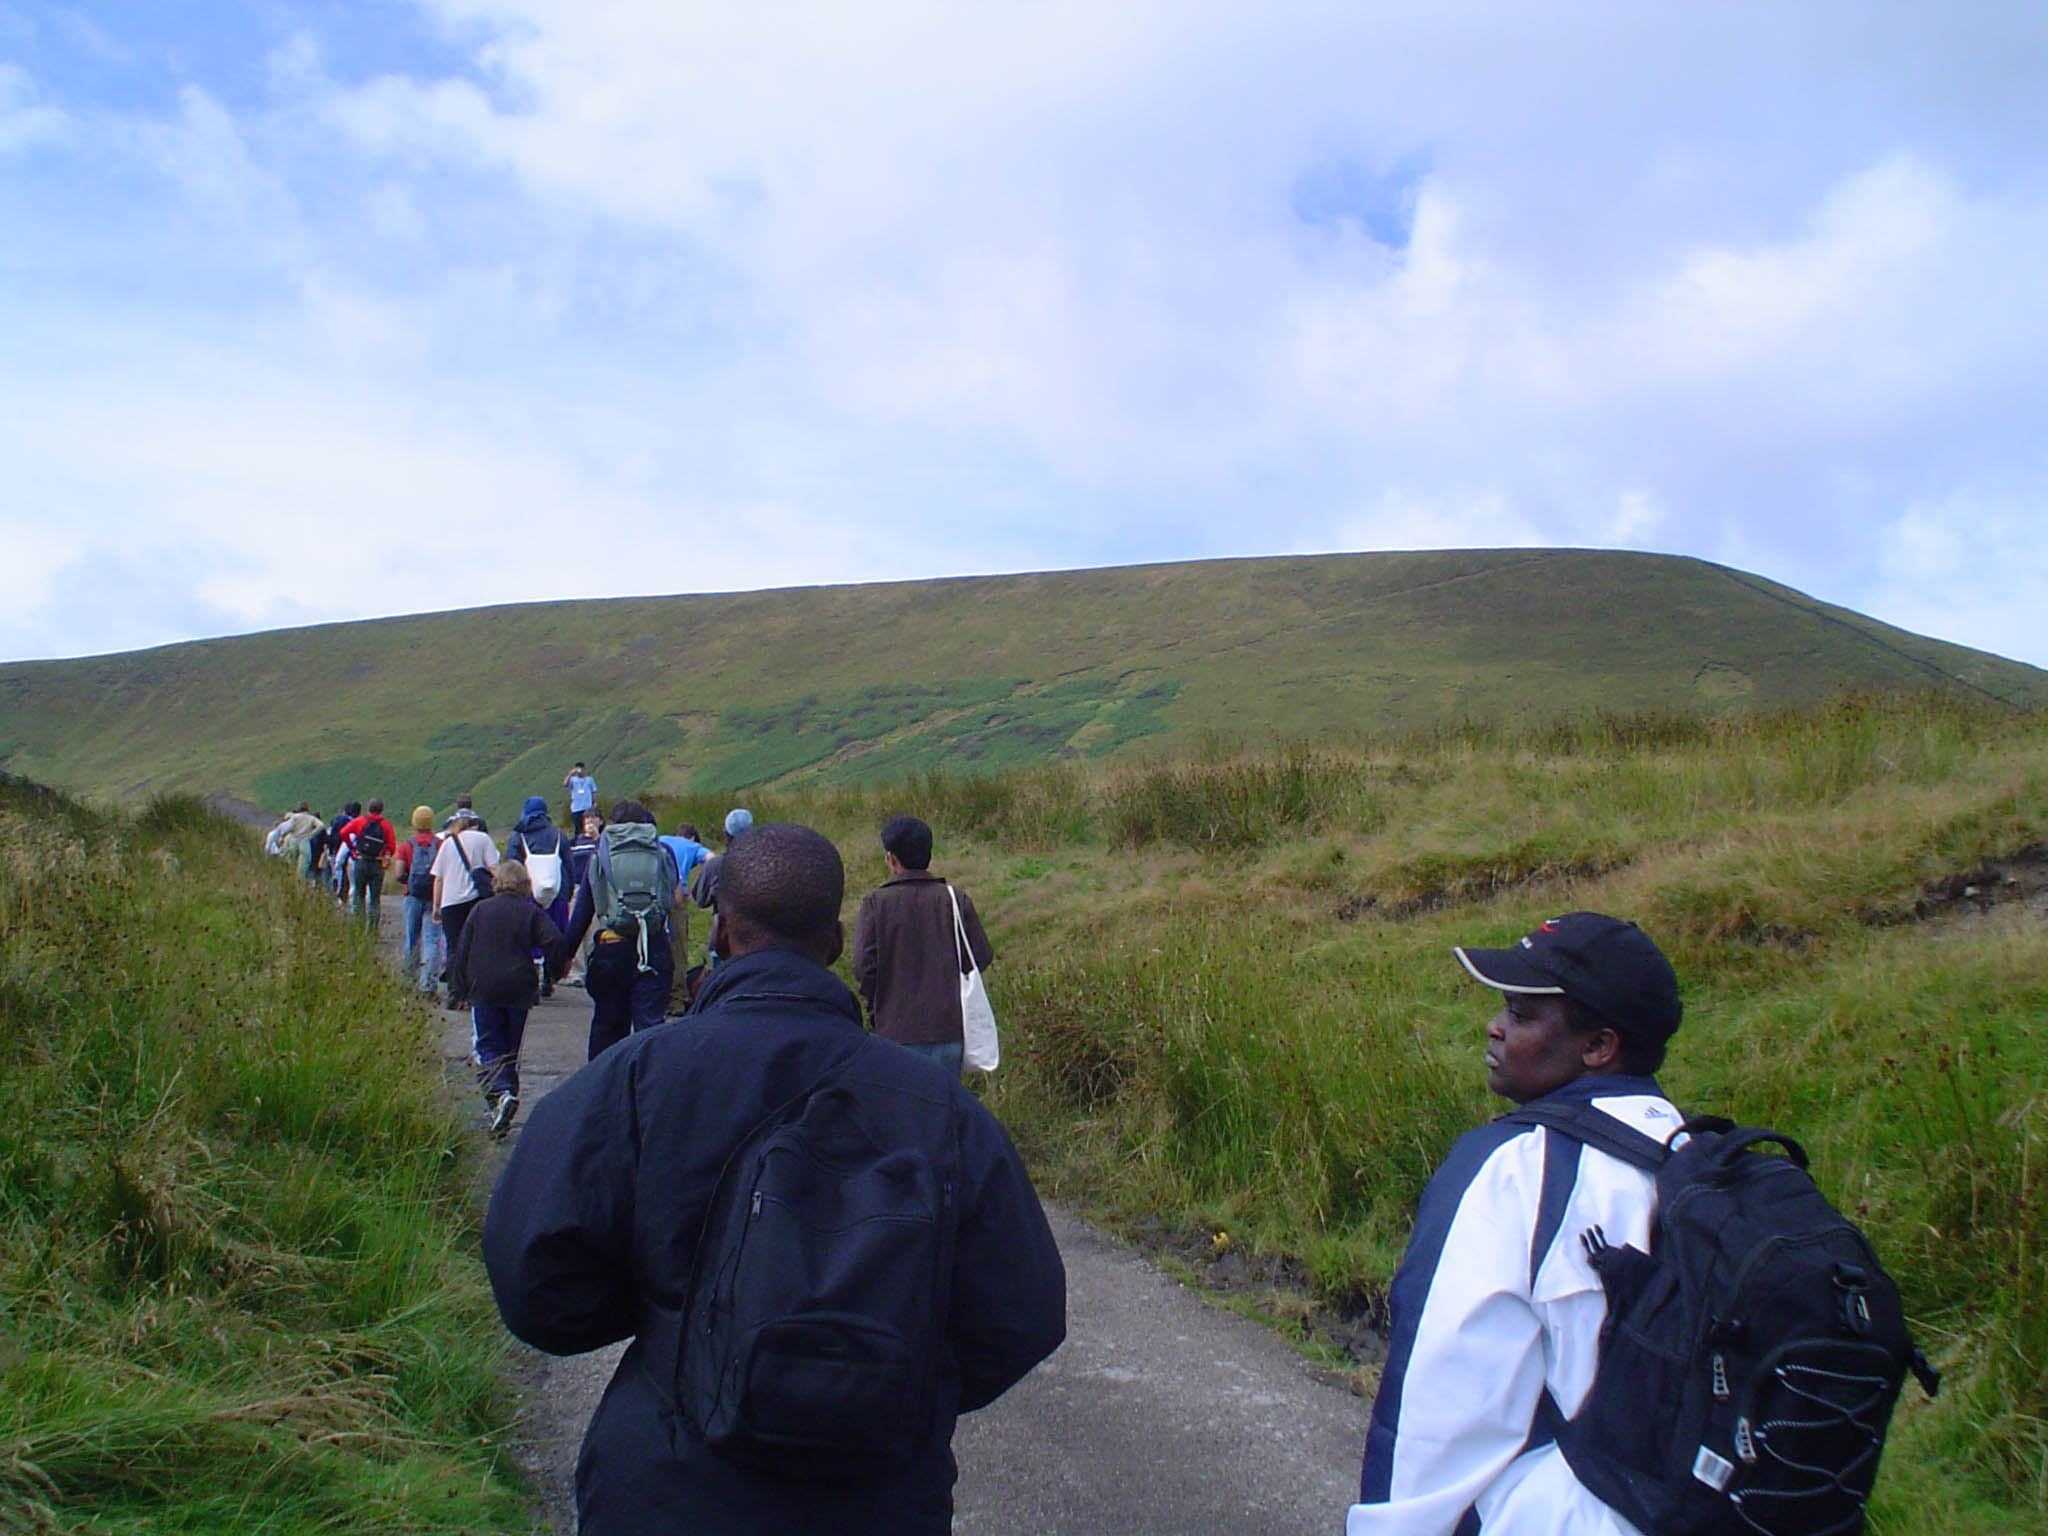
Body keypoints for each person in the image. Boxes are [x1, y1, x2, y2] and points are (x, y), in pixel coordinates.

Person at [482, 821, 1066, 1536]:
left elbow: (532, 1282)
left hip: (665, 1489)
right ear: (834, 943)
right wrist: (884, 1379)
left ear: (721, 932)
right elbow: (1024, 1313)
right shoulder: (943, 1110)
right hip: (879, 1497)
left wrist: (675, 1326)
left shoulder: (631, 1080)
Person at [1346, 912, 1685, 1536]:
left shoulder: (1515, 1166)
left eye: (1522, 1015)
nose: (1494, 1026)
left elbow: (1443, 1404)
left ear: (1598, 1046)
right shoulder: (1695, 1157)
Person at [852, 814, 993, 1078]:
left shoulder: (874, 904)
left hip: (895, 1032)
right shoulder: (954, 899)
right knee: (943, 1100)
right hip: (950, 1030)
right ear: (929, 854)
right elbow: (980, 957)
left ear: (891, 859)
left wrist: (877, 1008)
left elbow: (863, 967)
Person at [554, 799, 682, 1058]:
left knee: (607, 1027)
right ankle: (651, 1080)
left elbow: (583, 911)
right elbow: (675, 899)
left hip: (611, 949)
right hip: (652, 947)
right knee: (650, 1028)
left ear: (612, 823)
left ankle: (604, 1080)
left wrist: (564, 956)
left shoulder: (601, 851)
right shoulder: (661, 850)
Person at [447, 860, 563, 1141]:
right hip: (519, 989)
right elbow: (555, 941)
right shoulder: (530, 912)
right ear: (526, 884)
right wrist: (554, 972)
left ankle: (500, 1094)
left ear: (497, 882)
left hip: (484, 987)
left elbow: (462, 951)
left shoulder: (480, 910)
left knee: (487, 1045)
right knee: (511, 1049)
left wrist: (458, 989)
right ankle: (504, 1102)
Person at [430, 808, 499, 1002]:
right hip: (476, 900)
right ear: (474, 824)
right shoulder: (483, 839)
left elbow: (439, 878)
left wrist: (436, 906)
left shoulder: (448, 843)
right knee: (475, 946)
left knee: (454, 946)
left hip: (450, 902)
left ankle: (455, 991)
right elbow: (494, 868)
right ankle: (473, 989)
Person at [505, 795, 568, 997]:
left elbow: (511, 865)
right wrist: (566, 894)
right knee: (553, 936)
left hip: (528, 894)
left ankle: (531, 980)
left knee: (528, 937)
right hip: (556, 893)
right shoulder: (559, 835)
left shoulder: (518, 836)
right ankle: (550, 977)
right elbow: (569, 865)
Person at [690, 807, 752, 967]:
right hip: (757, 938)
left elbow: (700, 899)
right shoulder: (763, 861)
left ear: (726, 832)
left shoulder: (715, 865)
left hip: (725, 938)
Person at [393, 806, 443, 999]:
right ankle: (428, 985)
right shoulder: (440, 845)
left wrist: (410, 882)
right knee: (432, 940)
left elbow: (398, 874)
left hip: (412, 896)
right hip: (434, 897)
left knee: (411, 939)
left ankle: (408, 981)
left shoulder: (407, 845)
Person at [338, 798, 398, 927]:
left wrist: (352, 847)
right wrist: (384, 854)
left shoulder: (360, 821)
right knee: (375, 899)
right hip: (377, 863)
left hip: (361, 861)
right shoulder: (386, 825)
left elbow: (343, 832)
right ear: (381, 810)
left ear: (368, 808)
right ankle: (373, 929)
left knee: (359, 895)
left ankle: (359, 926)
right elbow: (392, 847)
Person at [561, 808, 604, 987]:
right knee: (576, 926)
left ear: (600, 822)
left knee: (594, 930)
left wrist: (597, 838)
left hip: (597, 888)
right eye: (587, 819)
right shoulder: (574, 842)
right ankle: (577, 973)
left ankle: (593, 970)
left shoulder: (603, 842)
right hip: (578, 887)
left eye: (593, 818)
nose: (589, 822)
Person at [563, 761, 598, 826]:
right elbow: (565, 784)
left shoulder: (589, 779)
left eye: (581, 768)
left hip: (587, 807)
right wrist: (570, 774)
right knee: (577, 826)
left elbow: (594, 791)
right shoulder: (572, 779)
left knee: (588, 826)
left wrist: (594, 802)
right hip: (576, 808)